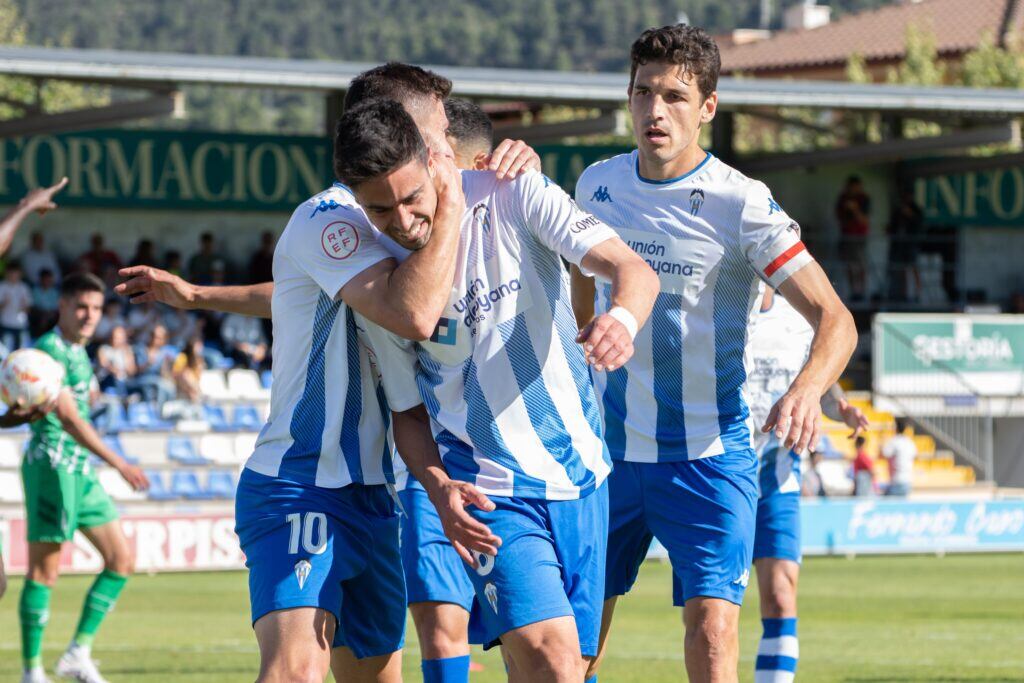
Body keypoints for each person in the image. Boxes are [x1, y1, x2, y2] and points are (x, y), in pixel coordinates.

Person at [119, 62, 542, 683]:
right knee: (295, 671)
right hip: (301, 481)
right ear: (393, 128)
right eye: (437, 129)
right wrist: (455, 197)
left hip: (376, 494)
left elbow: (298, 291)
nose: (447, 143)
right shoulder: (335, 217)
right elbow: (412, 312)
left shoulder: (396, 221)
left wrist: (200, 294)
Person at [572, 25, 856, 683]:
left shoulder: (742, 203)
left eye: (675, 96)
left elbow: (835, 319)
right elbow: (577, 286)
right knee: (576, 642)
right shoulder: (597, 186)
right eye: (643, 93)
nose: (655, 111)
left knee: (711, 629)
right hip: (607, 451)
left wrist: (808, 388)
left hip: (708, 456)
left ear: (708, 107)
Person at [344, 97, 658, 683]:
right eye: (381, 209)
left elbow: (632, 269)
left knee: (568, 667)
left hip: (581, 471)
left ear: (436, 159)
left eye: (412, 200)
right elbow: (407, 411)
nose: (403, 221)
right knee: (553, 659)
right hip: (488, 485)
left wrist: (622, 321)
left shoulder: (517, 190)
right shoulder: (376, 271)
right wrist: (439, 489)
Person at [18, 272, 149, 683]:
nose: (90, 316)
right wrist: (119, 462)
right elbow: (70, 420)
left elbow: (84, 403)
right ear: (62, 306)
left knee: (121, 560)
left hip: (79, 470)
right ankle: (31, 670)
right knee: (45, 572)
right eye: (81, 307)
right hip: (53, 466)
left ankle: (77, 653)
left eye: (95, 309)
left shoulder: (78, 351)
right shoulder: (49, 351)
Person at [744, 286, 867, 683]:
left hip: (777, 477)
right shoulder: (722, 312)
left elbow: (820, 385)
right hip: (721, 476)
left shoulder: (798, 321)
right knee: (710, 610)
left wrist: (840, 408)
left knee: (781, 595)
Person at [886, 185, 924, 303]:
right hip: (899, 245)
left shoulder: (916, 209)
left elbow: (919, 224)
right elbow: (893, 226)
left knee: (914, 269)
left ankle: (918, 294)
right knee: (901, 270)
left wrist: (910, 214)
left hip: (911, 244)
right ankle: (903, 295)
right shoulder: (898, 210)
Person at [835, 176, 870, 301]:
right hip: (846, 236)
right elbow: (839, 218)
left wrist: (855, 209)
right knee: (849, 264)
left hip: (859, 237)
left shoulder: (864, 199)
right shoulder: (843, 199)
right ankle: (853, 291)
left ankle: (862, 291)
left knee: (860, 265)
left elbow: (865, 220)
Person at [132, 323, 176, 406]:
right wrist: (148, 363)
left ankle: (167, 409)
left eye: (159, 338)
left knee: (170, 386)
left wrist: (167, 367)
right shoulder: (141, 349)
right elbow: (136, 371)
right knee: (160, 384)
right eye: (154, 336)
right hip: (142, 379)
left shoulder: (164, 353)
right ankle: (157, 411)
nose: (155, 339)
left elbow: (164, 373)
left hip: (157, 380)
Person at [96, 325, 138, 397]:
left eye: (118, 338)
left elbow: (132, 371)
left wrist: (126, 353)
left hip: (124, 383)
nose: (114, 340)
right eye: (113, 337)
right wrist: (115, 370)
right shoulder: (104, 349)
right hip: (107, 382)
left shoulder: (126, 351)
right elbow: (104, 364)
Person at [0, 261, 32, 352]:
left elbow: (28, 309)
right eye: (11, 273)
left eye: (15, 273)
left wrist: (24, 305)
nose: (13, 275)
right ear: (7, 273)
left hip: (21, 325)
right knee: (6, 352)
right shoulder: (2, 286)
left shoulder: (24, 288)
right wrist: (4, 303)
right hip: (6, 324)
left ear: (20, 274)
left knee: (23, 352)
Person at [882, 417, 917, 496]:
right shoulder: (910, 442)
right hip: (908, 480)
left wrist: (882, 440)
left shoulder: (894, 441)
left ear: (895, 428)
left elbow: (884, 454)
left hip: (897, 480)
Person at [171, 336, 206, 404]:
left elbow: (198, 377)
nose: (199, 349)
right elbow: (175, 374)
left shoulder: (199, 360)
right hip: (181, 384)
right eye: (197, 346)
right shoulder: (182, 357)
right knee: (186, 374)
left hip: (193, 386)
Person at [29, 268, 61, 338]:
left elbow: (56, 308)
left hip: (52, 316)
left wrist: (48, 314)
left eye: (49, 279)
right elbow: (33, 306)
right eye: (45, 279)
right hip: (38, 315)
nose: (47, 281)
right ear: (41, 279)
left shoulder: (55, 292)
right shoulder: (35, 291)